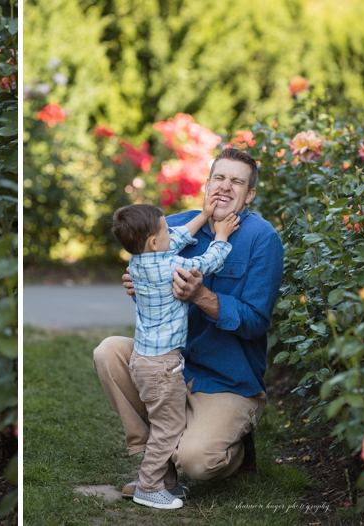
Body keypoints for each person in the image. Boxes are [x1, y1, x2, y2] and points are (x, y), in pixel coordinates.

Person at [93, 147, 284, 498]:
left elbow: (256, 322)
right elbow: (150, 277)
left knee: (197, 461)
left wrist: (202, 296)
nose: (226, 187)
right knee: (108, 352)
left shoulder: (263, 239)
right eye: (220, 178)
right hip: (170, 363)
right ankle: (159, 467)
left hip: (227, 377)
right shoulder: (174, 225)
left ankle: (238, 454)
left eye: (237, 182)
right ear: (207, 184)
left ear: (250, 195)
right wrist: (139, 288)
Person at [109, 199, 239, 508]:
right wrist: (221, 235)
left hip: (144, 360)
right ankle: (149, 486)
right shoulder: (172, 268)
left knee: (163, 421)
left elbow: (177, 238)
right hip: (162, 366)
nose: (174, 232)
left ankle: (167, 483)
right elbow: (207, 262)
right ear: (154, 241)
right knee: (167, 429)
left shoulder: (140, 261)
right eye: (166, 229)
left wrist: (204, 215)